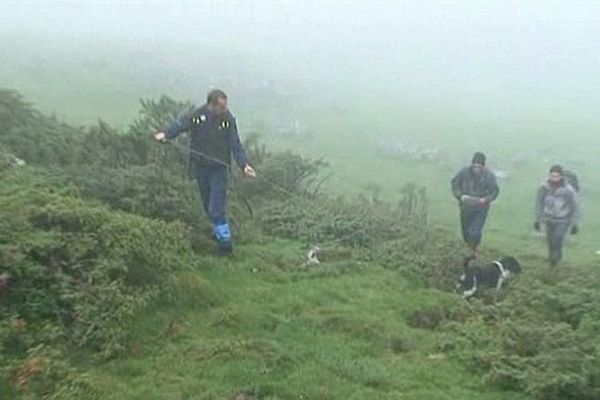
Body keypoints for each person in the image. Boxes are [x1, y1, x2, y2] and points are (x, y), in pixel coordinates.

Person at [154, 89, 256, 253]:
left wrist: (244, 165)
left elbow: (235, 145)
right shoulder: (197, 116)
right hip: (201, 168)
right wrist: (165, 134)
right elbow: (180, 125)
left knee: (216, 208)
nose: (224, 109)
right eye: (221, 107)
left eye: (225, 106)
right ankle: (219, 237)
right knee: (208, 208)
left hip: (219, 170)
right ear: (211, 105)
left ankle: (225, 246)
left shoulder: (228, 120)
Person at [451, 152, 500, 256]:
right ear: (472, 164)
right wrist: (460, 196)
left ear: (483, 166)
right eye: (475, 166)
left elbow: (495, 191)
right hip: (465, 207)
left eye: (479, 166)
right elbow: (455, 184)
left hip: (481, 208)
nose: (477, 169)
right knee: (465, 232)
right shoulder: (464, 172)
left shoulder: (489, 176)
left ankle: (472, 251)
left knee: (475, 230)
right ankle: (469, 247)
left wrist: (486, 199)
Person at [534, 165, 580, 267]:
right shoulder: (544, 188)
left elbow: (575, 207)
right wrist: (538, 220)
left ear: (561, 177)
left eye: (556, 176)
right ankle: (552, 262)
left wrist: (574, 224)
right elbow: (539, 203)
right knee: (550, 242)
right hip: (549, 219)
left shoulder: (568, 190)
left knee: (557, 239)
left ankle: (558, 258)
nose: (554, 178)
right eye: (552, 176)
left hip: (562, 220)